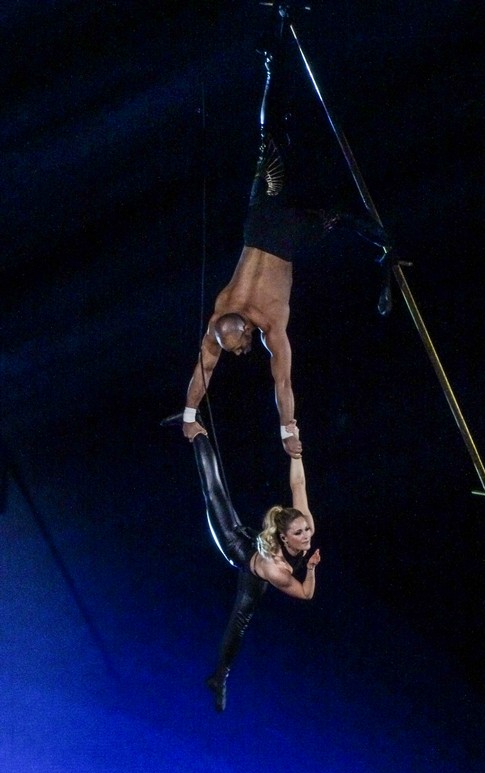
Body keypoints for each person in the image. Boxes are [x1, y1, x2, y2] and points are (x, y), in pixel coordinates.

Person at [181, 5, 387, 455]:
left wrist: (195, 416)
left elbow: (238, 378)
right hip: (277, 229)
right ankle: (380, 242)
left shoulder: (245, 321)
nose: (236, 345)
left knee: (294, 169)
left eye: (232, 341)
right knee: (290, 163)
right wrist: (194, 417)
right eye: (235, 343)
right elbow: (243, 376)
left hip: (274, 227)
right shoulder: (246, 322)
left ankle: (274, 61)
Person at [192, 417, 320, 711]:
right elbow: (305, 593)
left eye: (306, 530)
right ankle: (196, 431)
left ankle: (219, 677)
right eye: (299, 533)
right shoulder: (278, 570)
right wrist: (311, 569)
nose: (306, 535)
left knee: (239, 623)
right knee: (214, 492)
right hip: (236, 546)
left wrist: (295, 449)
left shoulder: (298, 533)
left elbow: (298, 483)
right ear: (285, 538)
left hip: (258, 562)